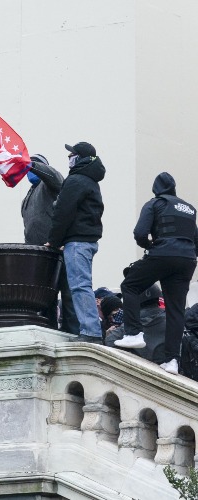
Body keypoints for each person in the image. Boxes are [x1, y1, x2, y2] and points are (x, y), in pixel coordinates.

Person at [113, 172, 197, 374]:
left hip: (162, 253)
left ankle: (134, 333)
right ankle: (172, 361)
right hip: (187, 260)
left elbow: (140, 233)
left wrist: (151, 245)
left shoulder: (154, 203)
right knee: (175, 310)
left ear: (156, 188)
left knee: (130, 286)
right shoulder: (189, 209)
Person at [46, 142, 106, 343]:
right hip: (87, 241)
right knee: (82, 285)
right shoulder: (90, 181)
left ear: (79, 158)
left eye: (72, 154)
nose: (68, 158)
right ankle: (90, 330)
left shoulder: (76, 181)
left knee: (79, 286)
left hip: (78, 242)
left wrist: (54, 241)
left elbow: (63, 213)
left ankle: (90, 331)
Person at [20, 154, 77, 332]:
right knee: (44, 298)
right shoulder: (27, 198)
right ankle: (49, 330)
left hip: (58, 250)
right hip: (39, 255)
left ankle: (72, 332)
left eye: (33, 167)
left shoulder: (50, 185)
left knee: (67, 294)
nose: (29, 171)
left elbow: (55, 177)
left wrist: (31, 162)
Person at [109, 285, 165, 363]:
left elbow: (110, 341)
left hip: (138, 368)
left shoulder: (133, 321)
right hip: (170, 370)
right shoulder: (172, 318)